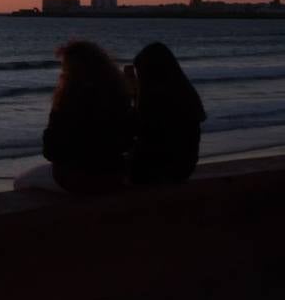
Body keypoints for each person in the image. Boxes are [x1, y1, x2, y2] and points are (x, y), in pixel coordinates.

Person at [14, 40, 133, 194]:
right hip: (113, 174)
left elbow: (51, 151)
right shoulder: (118, 94)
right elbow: (126, 141)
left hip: (74, 178)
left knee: (20, 182)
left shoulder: (67, 100)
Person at [127, 42, 207, 188]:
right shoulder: (185, 93)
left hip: (159, 171)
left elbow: (138, 131)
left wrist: (132, 97)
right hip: (184, 167)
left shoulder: (155, 99)